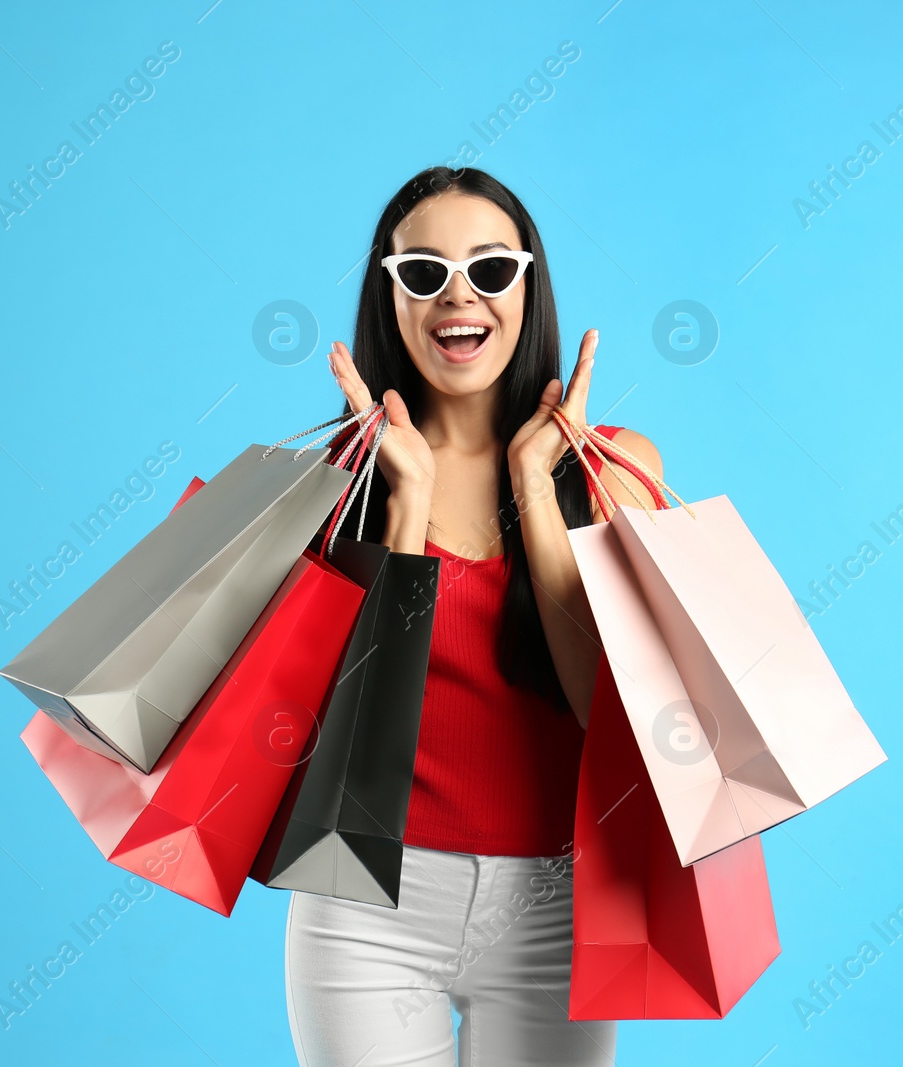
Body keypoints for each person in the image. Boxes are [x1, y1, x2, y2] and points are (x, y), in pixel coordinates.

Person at [283, 166, 665, 1066]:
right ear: (392, 299)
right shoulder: (332, 482)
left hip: (558, 903)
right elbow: (354, 738)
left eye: (491, 269)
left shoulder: (619, 469)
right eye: (425, 273)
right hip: (365, 900)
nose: (460, 295)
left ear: (528, 288)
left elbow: (599, 710)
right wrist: (404, 504)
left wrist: (537, 488)